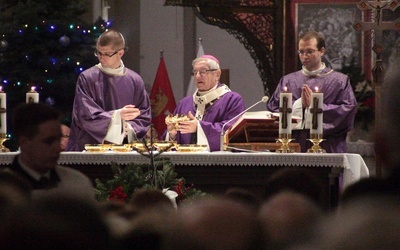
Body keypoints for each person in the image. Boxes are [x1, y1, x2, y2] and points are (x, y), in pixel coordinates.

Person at [267, 31, 357, 153]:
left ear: (322, 51)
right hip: (293, 146)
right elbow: (274, 109)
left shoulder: (339, 81)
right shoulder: (288, 80)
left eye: (310, 51)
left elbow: (347, 111)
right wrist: (299, 105)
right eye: (301, 52)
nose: (304, 56)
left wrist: (314, 106)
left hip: (328, 146)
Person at [66, 29, 151, 151]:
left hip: (124, 150)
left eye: (106, 54)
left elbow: (144, 115)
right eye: (98, 53)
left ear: (120, 53)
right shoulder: (87, 78)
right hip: (91, 148)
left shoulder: (135, 80)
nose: (101, 58)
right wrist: (117, 116)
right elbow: (85, 115)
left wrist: (129, 127)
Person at [2, 103, 95, 201]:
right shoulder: (4, 187)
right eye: (48, 141)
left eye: (59, 139)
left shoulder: (77, 183)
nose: (57, 148)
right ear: (24, 142)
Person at [164, 55, 246, 152]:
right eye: (195, 72)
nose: (198, 76)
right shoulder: (185, 103)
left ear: (217, 74)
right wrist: (172, 135)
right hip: (185, 163)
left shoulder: (232, 100)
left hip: (217, 164)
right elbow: (175, 144)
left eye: (203, 72)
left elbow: (233, 133)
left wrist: (199, 127)